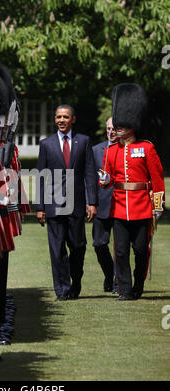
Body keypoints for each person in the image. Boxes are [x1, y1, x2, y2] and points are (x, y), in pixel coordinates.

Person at [99, 83, 165, 301]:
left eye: (120, 125)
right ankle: (125, 290)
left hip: (142, 207)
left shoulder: (146, 148)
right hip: (119, 208)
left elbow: (156, 179)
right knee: (120, 252)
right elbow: (108, 181)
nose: (116, 128)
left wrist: (157, 206)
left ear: (132, 124)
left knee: (139, 250)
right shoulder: (111, 151)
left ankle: (138, 284)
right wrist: (105, 180)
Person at [36, 105, 97, 301]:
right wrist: (40, 207)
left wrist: (92, 202)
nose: (61, 120)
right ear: (55, 119)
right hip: (53, 205)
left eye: (65, 117)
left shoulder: (84, 141)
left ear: (73, 119)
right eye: (58, 117)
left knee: (78, 246)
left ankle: (75, 281)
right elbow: (41, 177)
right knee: (57, 249)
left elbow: (89, 173)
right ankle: (62, 290)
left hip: (77, 204)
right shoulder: (46, 144)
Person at [92, 117, 118, 292]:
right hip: (101, 204)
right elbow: (90, 178)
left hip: (122, 204)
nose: (111, 132)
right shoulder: (95, 150)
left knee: (121, 247)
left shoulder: (127, 148)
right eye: (108, 128)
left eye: (114, 129)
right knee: (99, 244)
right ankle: (110, 274)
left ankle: (118, 283)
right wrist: (90, 202)